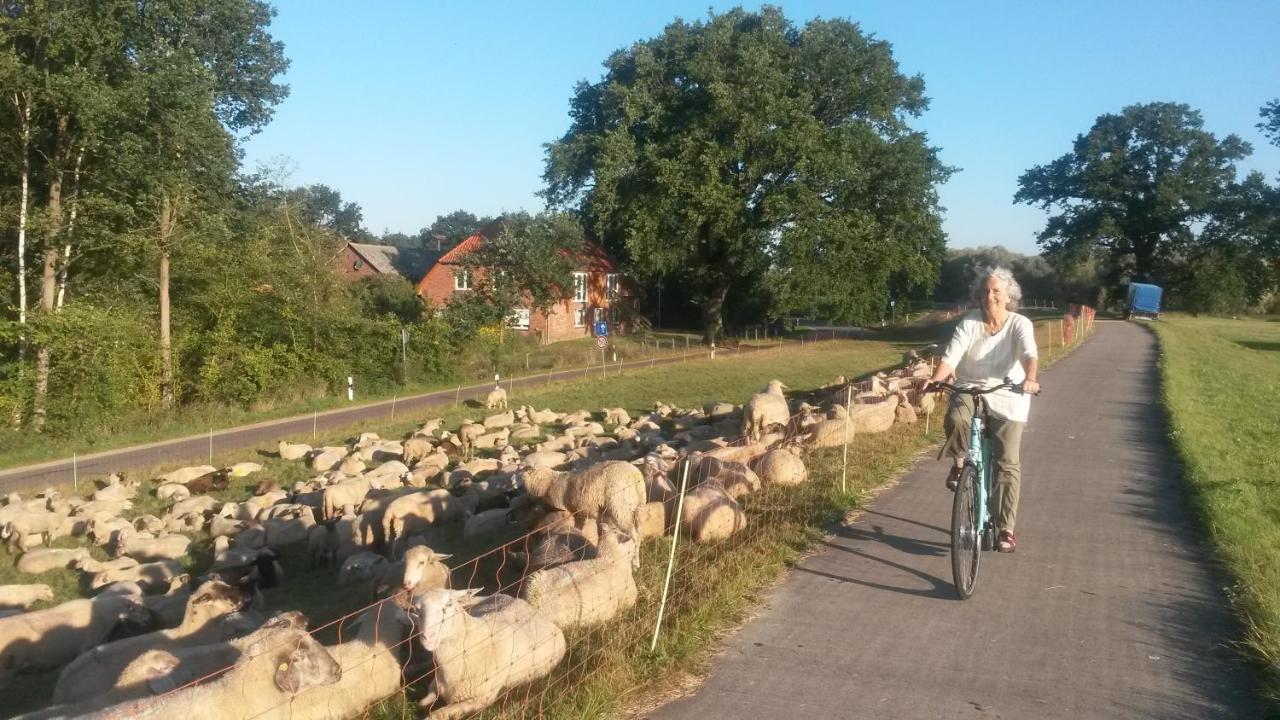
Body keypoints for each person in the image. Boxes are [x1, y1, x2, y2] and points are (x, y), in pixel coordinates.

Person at [924, 267, 1040, 553]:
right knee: (956, 416)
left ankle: (1005, 529)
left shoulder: (1019, 324)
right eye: (986, 291)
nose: (990, 296)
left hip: (1010, 393)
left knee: (1007, 462)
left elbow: (1028, 353)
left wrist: (1030, 378)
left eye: (997, 291)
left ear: (1009, 296)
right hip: (970, 387)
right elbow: (953, 354)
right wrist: (937, 379)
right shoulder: (970, 322)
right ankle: (960, 464)